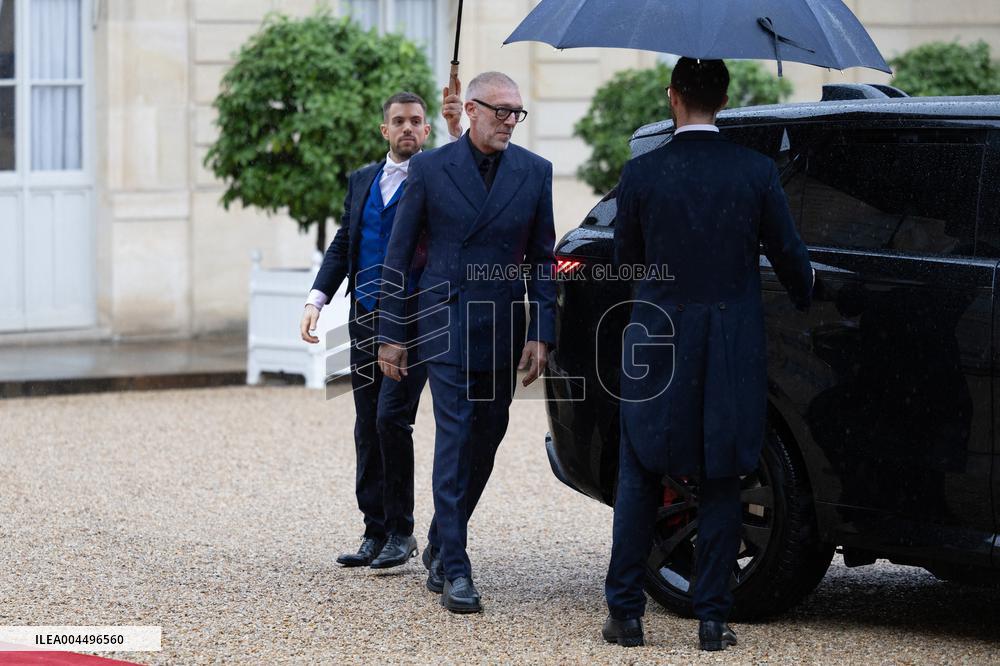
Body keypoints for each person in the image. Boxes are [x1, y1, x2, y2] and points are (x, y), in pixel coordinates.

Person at [602, 58, 814, 650]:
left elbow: (625, 262)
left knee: (640, 473)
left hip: (658, 341)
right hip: (729, 347)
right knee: (723, 477)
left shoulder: (642, 172)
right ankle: (713, 620)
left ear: (673, 97)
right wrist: (807, 291)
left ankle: (626, 615)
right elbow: (792, 260)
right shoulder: (755, 171)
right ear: (723, 99)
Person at [376, 71, 556, 614]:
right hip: (445, 321)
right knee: (454, 440)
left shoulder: (535, 171)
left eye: (517, 112)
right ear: (471, 110)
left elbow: (542, 260)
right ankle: (456, 566)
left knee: (487, 437)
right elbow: (398, 256)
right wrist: (391, 334)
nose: (510, 121)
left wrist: (541, 330)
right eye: (501, 111)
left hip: (501, 325)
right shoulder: (430, 169)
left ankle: (440, 537)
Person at [299, 90, 463, 570]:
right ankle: (375, 530)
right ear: (384, 129)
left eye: (416, 121)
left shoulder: (440, 176)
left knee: (391, 418)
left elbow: (471, 173)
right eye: (399, 121)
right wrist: (316, 299)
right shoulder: (361, 180)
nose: (408, 127)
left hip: (415, 320)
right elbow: (344, 242)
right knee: (367, 423)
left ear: (427, 130)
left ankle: (401, 531)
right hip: (365, 315)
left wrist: (458, 129)